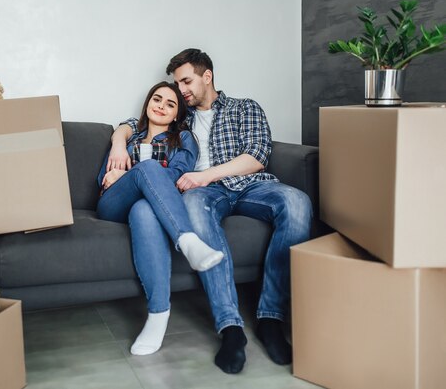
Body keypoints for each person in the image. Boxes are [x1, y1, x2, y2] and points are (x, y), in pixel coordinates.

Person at [109, 49, 312, 373]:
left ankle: (270, 317)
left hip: (250, 184)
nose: (182, 90)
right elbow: (135, 124)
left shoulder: (244, 107)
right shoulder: (180, 115)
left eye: (186, 81)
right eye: (178, 83)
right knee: (195, 210)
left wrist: (205, 174)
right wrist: (119, 142)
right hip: (201, 193)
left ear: (207, 76)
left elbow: (257, 155)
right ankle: (230, 328)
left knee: (298, 202)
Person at [96, 81, 224, 355]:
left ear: (178, 114)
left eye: (170, 104)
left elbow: (177, 177)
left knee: (144, 208)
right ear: (148, 103)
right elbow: (104, 179)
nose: (162, 106)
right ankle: (188, 241)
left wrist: (134, 173)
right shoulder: (128, 137)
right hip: (112, 205)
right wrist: (124, 170)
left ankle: (158, 315)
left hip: (146, 205)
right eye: (157, 99)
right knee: (148, 170)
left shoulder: (184, 139)